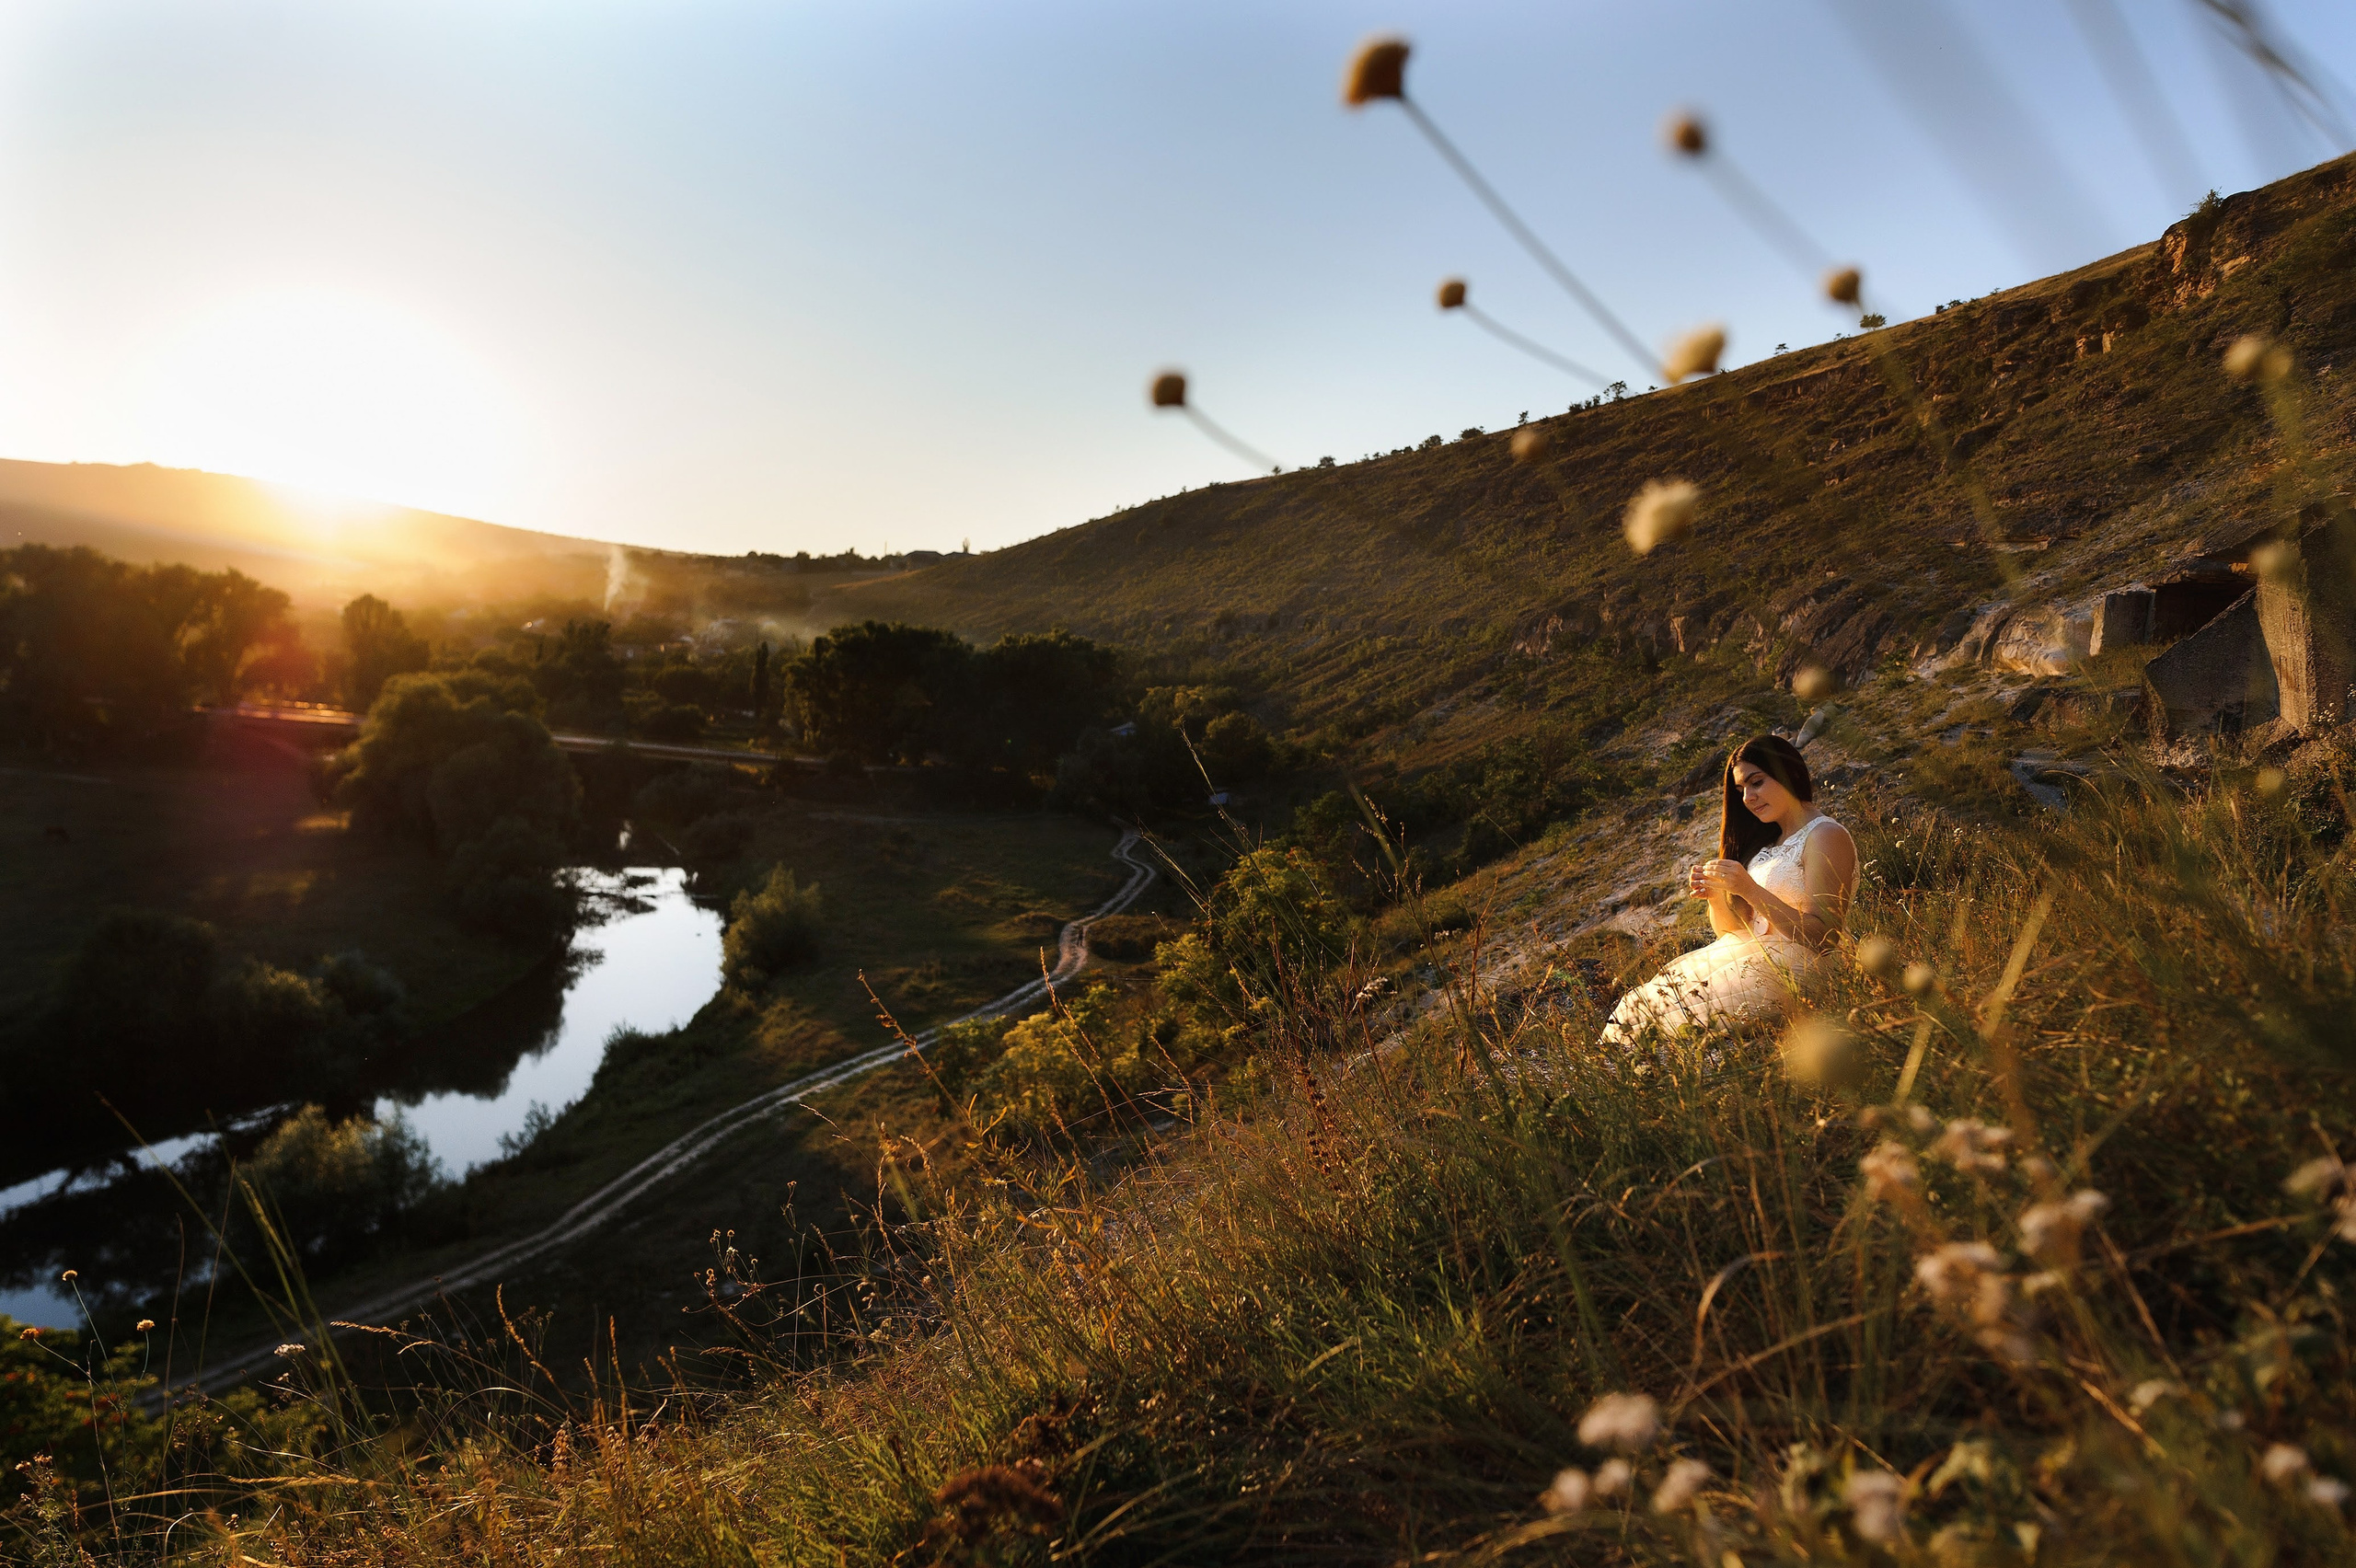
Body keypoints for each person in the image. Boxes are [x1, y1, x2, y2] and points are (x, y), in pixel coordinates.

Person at [1600, 734, 1857, 1044]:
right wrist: (1718, 898)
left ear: (1789, 774)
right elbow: (1734, 932)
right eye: (1741, 790)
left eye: (1757, 782)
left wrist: (1749, 889)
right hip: (1757, 956)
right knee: (1639, 1006)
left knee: (1685, 1016)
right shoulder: (1767, 842)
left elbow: (1825, 937)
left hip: (1807, 965)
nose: (1748, 798)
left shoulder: (1825, 834)